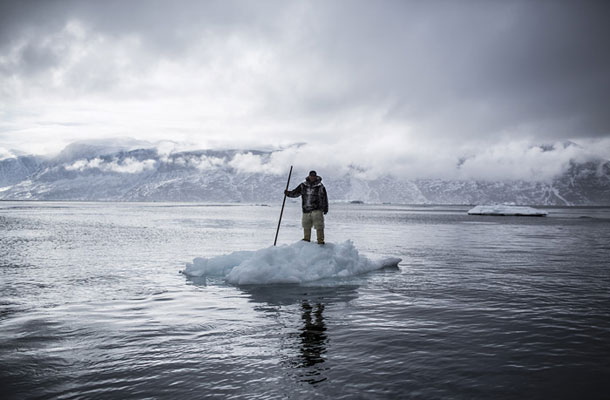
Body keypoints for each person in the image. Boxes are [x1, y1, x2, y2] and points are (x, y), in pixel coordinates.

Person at [285, 170, 329, 244]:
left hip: (317, 209)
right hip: (306, 209)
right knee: (306, 225)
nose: (312, 177)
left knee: (319, 225)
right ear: (309, 176)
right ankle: (306, 239)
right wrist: (288, 193)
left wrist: (325, 208)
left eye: (314, 176)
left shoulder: (320, 186)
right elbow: (295, 193)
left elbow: (324, 198)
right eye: (311, 176)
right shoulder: (303, 185)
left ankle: (320, 240)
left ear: (316, 176)